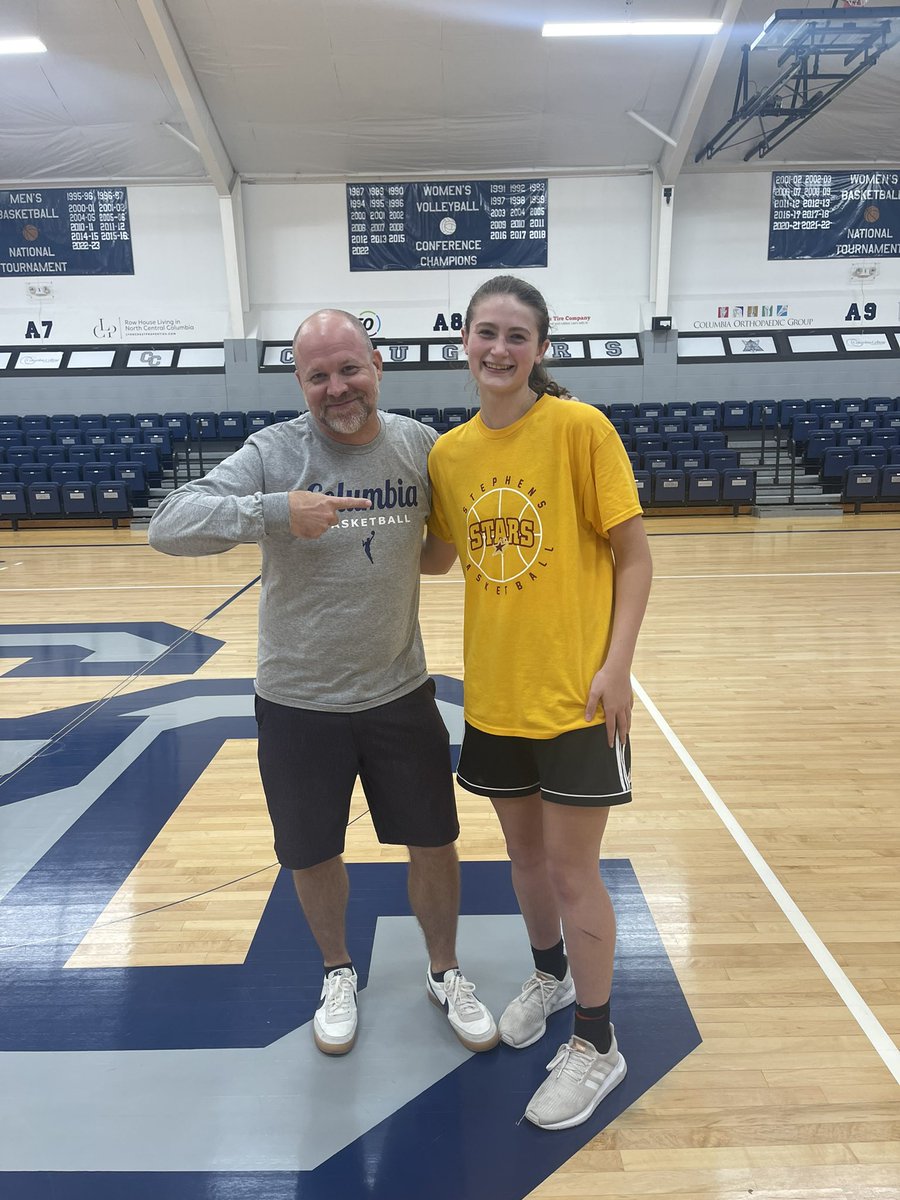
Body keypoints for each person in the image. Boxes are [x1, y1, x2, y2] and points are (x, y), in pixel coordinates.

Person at [148, 309, 497, 1058]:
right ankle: (338, 971)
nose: (338, 388)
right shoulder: (274, 452)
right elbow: (169, 524)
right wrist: (276, 511)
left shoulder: (416, 444)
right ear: (300, 383)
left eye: (350, 369)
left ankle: (445, 971)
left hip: (400, 690)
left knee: (435, 842)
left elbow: (438, 554)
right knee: (311, 853)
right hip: (298, 700)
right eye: (318, 376)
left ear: (377, 364)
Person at [421, 276, 652, 1129]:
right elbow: (439, 557)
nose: (499, 349)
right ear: (465, 341)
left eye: (517, 336)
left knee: (570, 867)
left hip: (578, 698)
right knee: (523, 861)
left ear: (540, 349)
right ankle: (551, 977)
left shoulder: (580, 428)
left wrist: (618, 666)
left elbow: (634, 557)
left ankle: (598, 1042)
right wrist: (349, 521)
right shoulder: (449, 454)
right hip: (495, 696)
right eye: (486, 332)